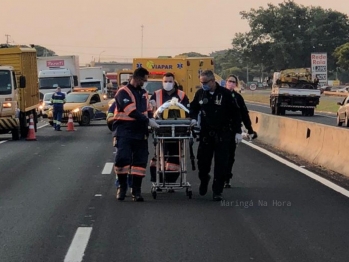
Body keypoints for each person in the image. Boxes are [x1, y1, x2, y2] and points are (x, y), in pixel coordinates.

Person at [190, 70, 242, 201]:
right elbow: (193, 107)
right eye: (201, 82)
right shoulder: (200, 93)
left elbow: (236, 113)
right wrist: (193, 118)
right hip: (206, 134)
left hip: (223, 134)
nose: (203, 85)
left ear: (213, 81)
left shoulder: (226, 94)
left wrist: (238, 131)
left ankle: (217, 191)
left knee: (221, 164)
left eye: (205, 82)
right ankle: (204, 179)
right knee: (202, 162)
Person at [113, 67, 159, 202]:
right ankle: (122, 188)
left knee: (140, 162)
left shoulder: (144, 93)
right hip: (125, 131)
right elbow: (130, 111)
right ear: (137, 78)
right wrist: (147, 120)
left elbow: (148, 110)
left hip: (140, 132)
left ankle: (136, 190)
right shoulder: (123, 92)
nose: (144, 83)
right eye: (143, 80)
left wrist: (152, 118)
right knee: (122, 159)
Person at [148, 72, 190, 187]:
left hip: (178, 131)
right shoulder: (156, 94)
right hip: (161, 130)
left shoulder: (181, 95)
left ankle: (171, 182)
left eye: (170, 81)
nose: (168, 83)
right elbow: (150, 111)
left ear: (174, 82)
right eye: (165, 81)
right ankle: (157, 179)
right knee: (159, 155)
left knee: (174, 156)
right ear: (162, 82)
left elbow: (187, 111)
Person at [224, 74, 258, 188]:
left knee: (230, 156)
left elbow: (244, 114)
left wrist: (250, 130)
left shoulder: (238, 98)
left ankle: (227, 178)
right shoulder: (220, 95)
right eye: (229, 81)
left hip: (233, 130)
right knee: (220, 155)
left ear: (236, 84)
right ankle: (220, 177)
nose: (231, 83)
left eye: (233, 82)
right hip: (220, 130)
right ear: (226, 82)